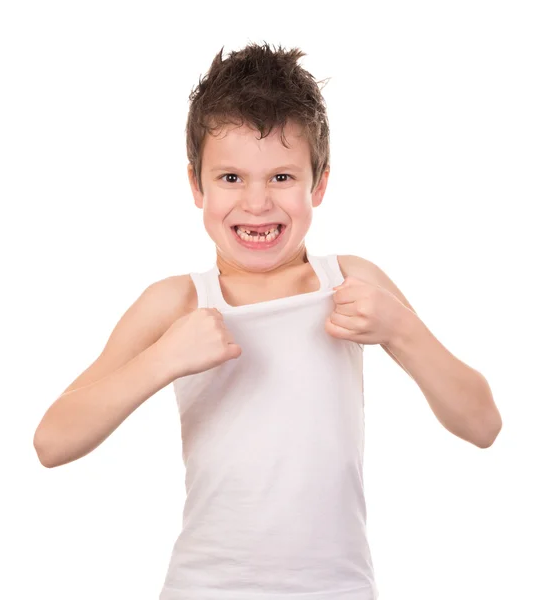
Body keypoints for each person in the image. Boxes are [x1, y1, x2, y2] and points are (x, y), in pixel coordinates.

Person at [33, 42, 502, 599]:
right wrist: (164, 359)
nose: (256, 203)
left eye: (281, 177)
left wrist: (404, 330)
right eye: (231, 178)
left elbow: (483, 425)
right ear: (196, 186)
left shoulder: (350, 283)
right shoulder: (177, 302)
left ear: (319, 184)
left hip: (338, 589)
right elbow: (52, 441)